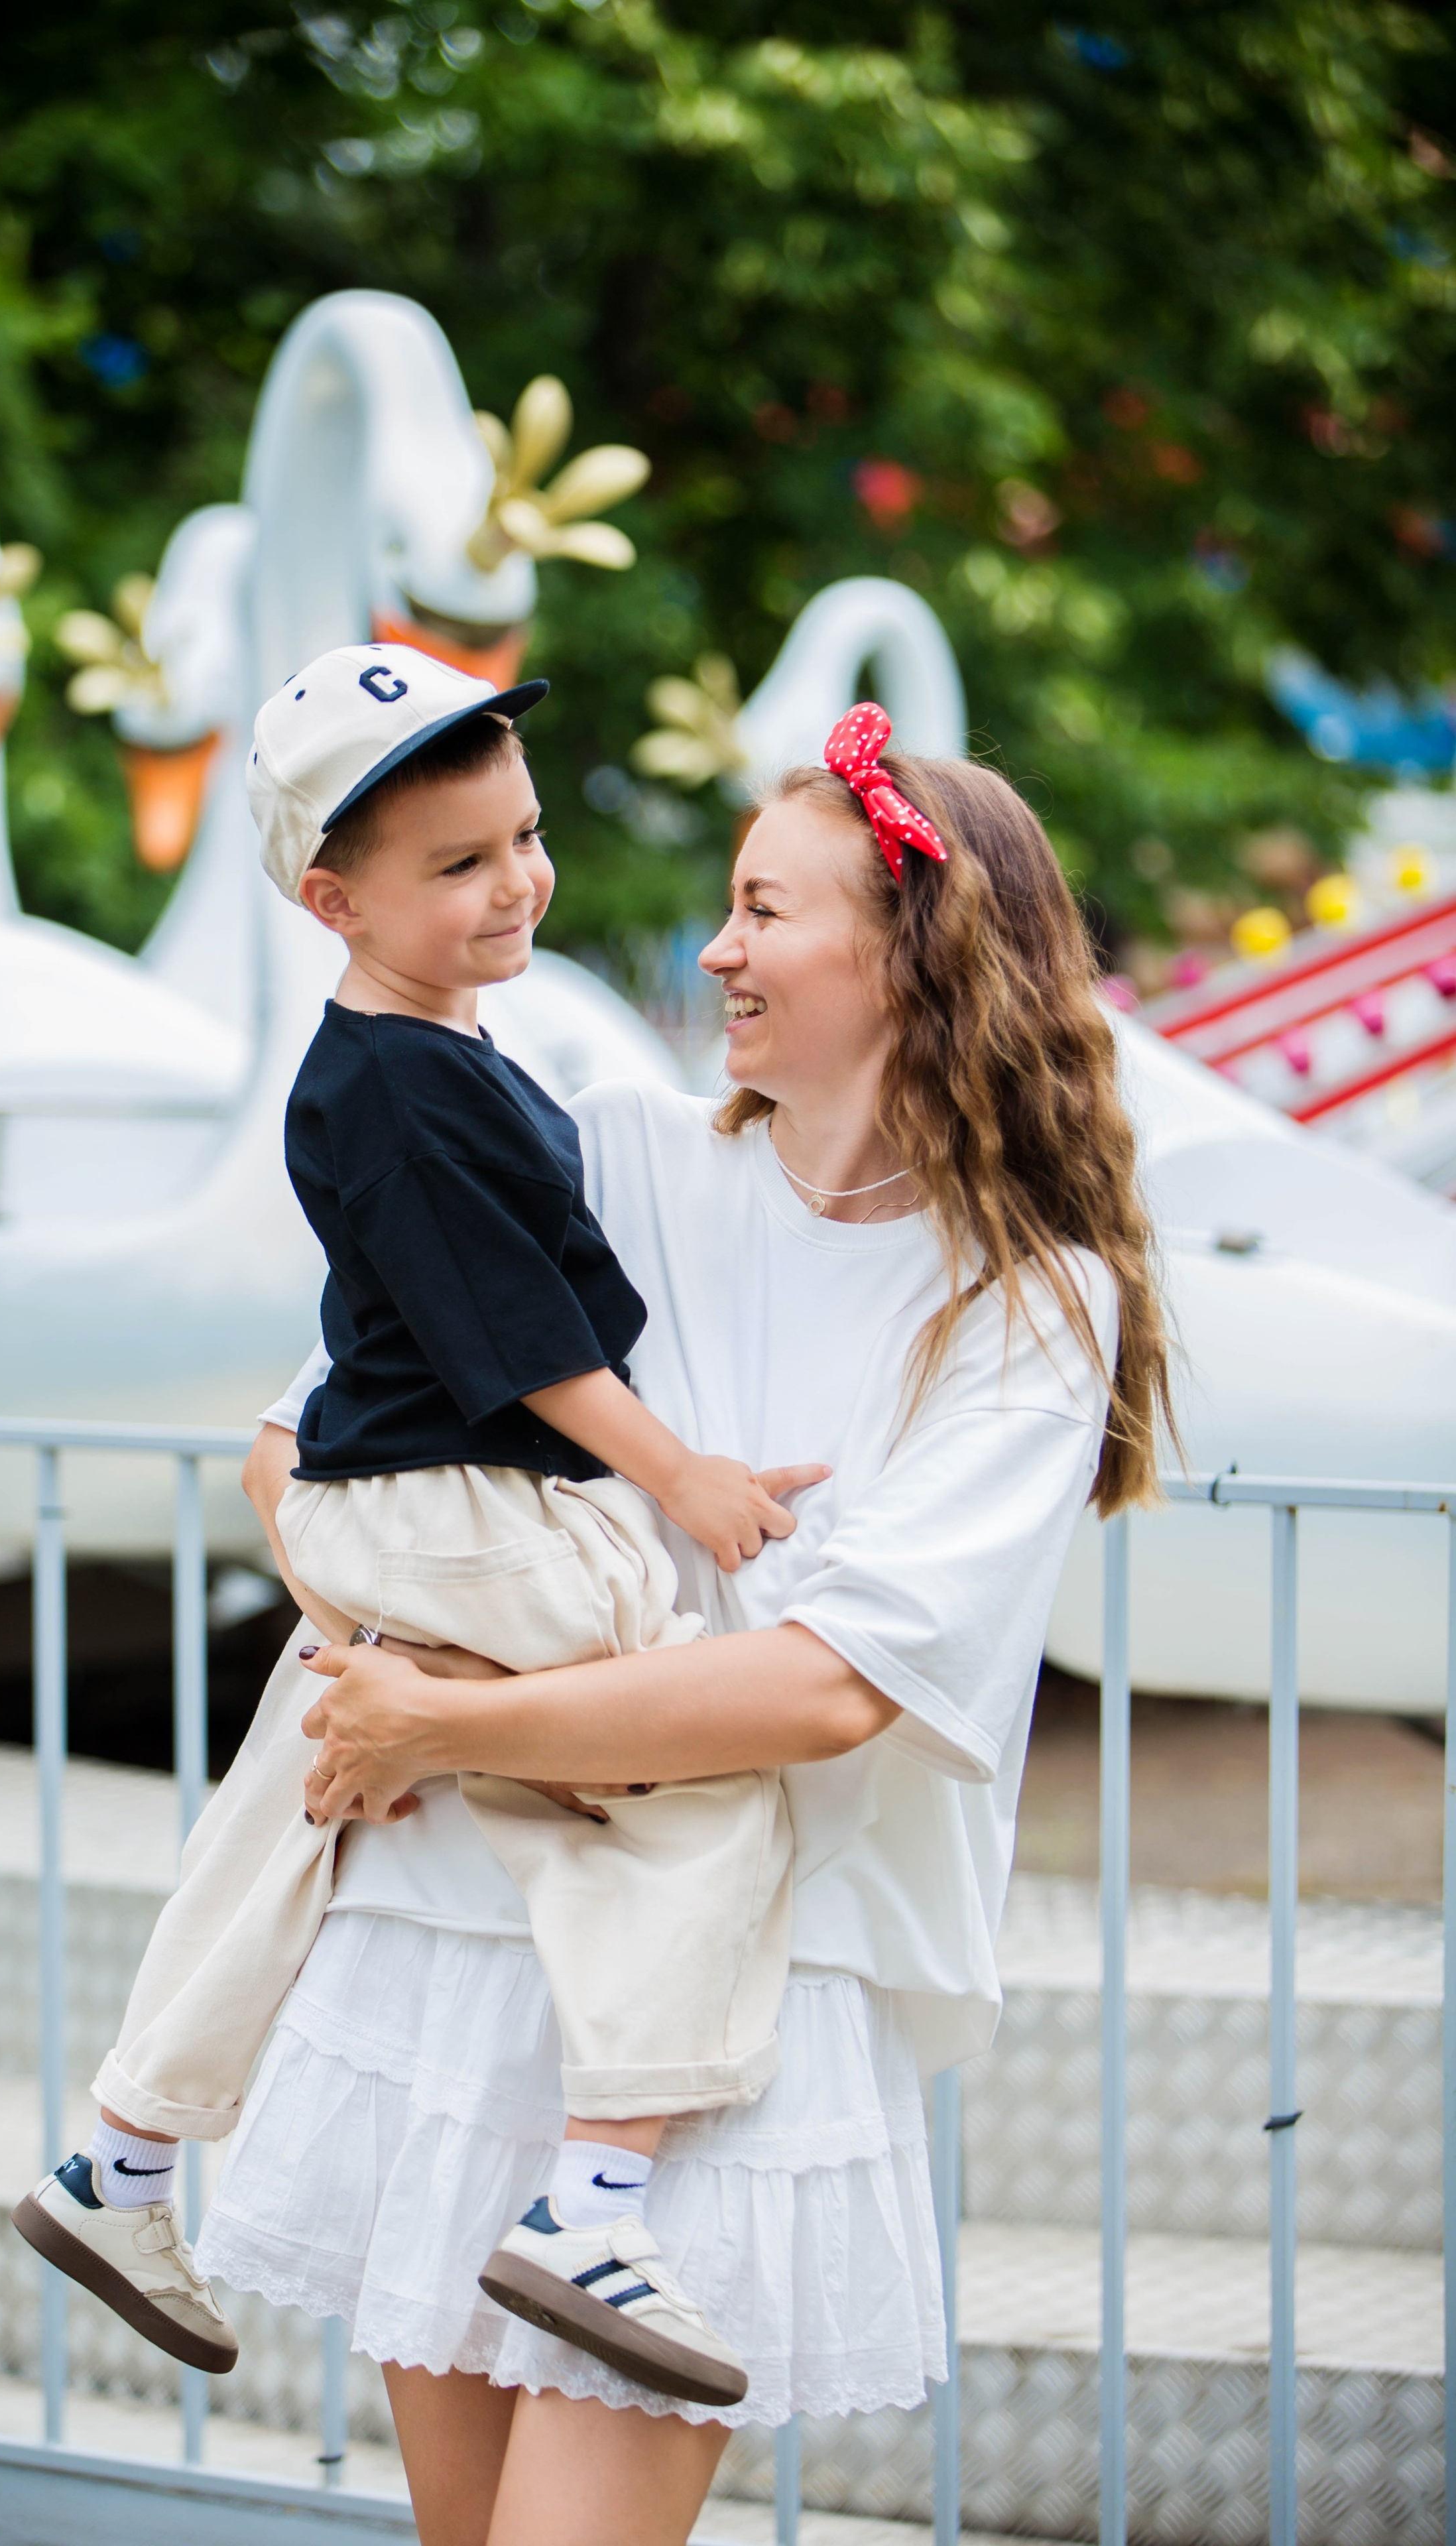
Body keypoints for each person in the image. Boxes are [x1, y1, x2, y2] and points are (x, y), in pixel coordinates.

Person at [193, 710, 1172, 2546]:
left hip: (742, 2001)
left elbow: (823, 1693)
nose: (711, 951)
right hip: (472, 1932)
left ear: (912, 956)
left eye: (760, 910)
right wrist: (392, 1652)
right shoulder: (620, 1157)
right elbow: (296, 1446)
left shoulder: (1033, 1307)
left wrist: (446, 1718)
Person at [12, 641, 831, 2409]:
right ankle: (595, 2200)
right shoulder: (397, 1082)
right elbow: (509, 1333)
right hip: (462, 1504)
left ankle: (125, 2156)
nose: (516, 882)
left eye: (522, 838)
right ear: (334, 898)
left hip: (400, 1505)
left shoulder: (435, 1056)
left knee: (305, 1792)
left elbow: (406, 1306)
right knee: (693, 1772)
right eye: (459, 866)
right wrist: (682, 1473)